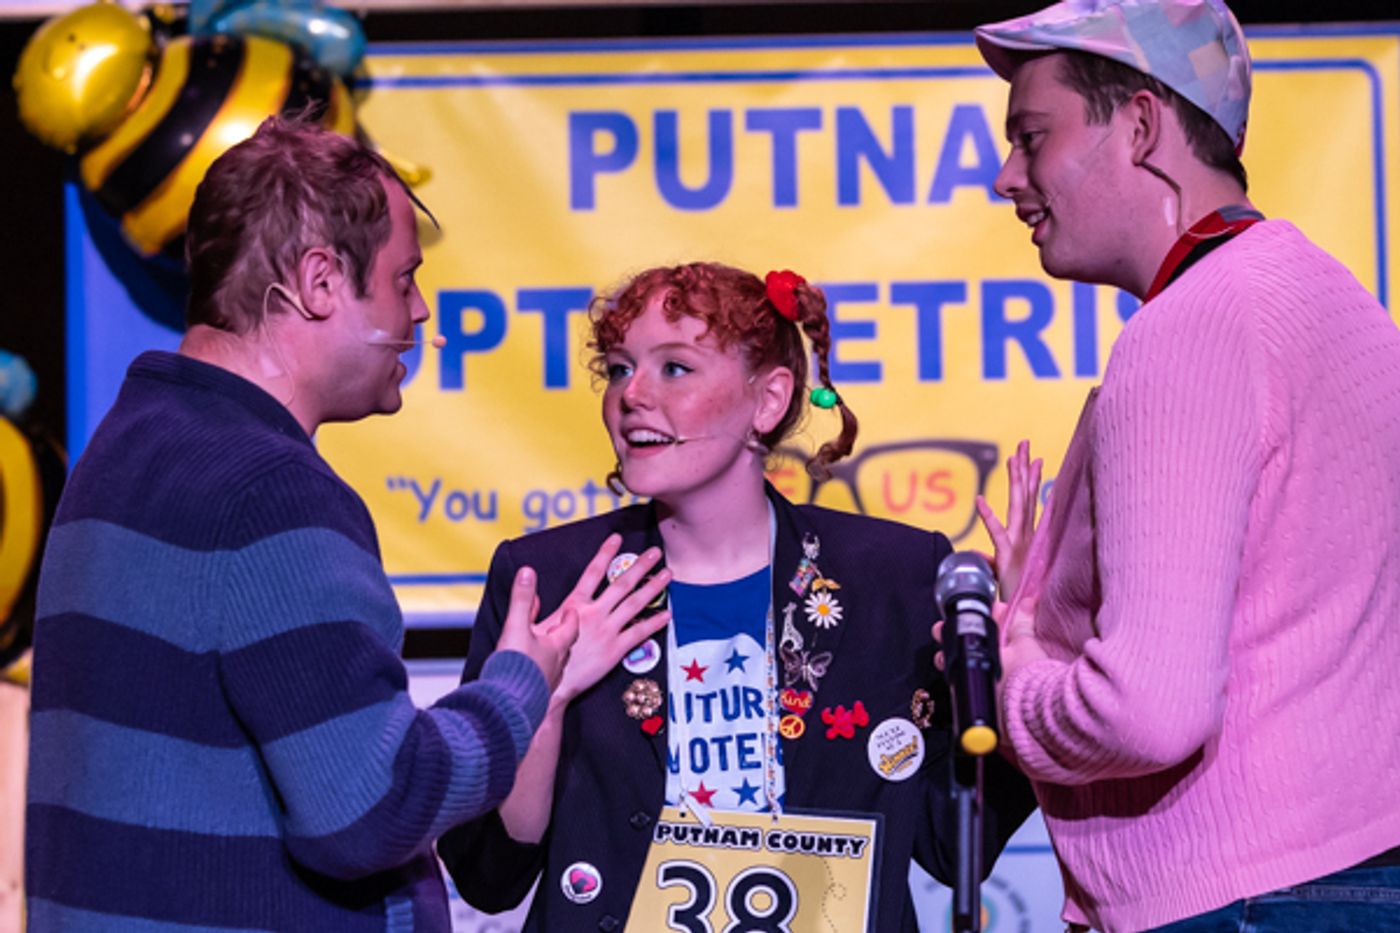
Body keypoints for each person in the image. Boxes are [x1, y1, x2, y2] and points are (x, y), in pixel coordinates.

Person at [24, 116, 663, 931]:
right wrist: (521, 683)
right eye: (403, 279)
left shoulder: (124, 445)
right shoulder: (268, 487)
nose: (422, 310)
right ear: (321, 281)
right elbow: (370, 807)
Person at [965, 1, 1400, 930]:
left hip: (1241, 900)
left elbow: (1148, 713)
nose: (1008, 178)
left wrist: (1017, 678)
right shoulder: (1339, 300)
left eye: (1032, 137)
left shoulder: (1193, 324)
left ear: (1142, 123)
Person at [437, 262, 1036, 932]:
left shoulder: (894, 575)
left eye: (674, 368)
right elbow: (488, 877)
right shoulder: (548, 579)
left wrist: (1021, 674)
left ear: (769, 400)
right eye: (617, 368)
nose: (631, 394)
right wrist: (541, 700)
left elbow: (955, 849)